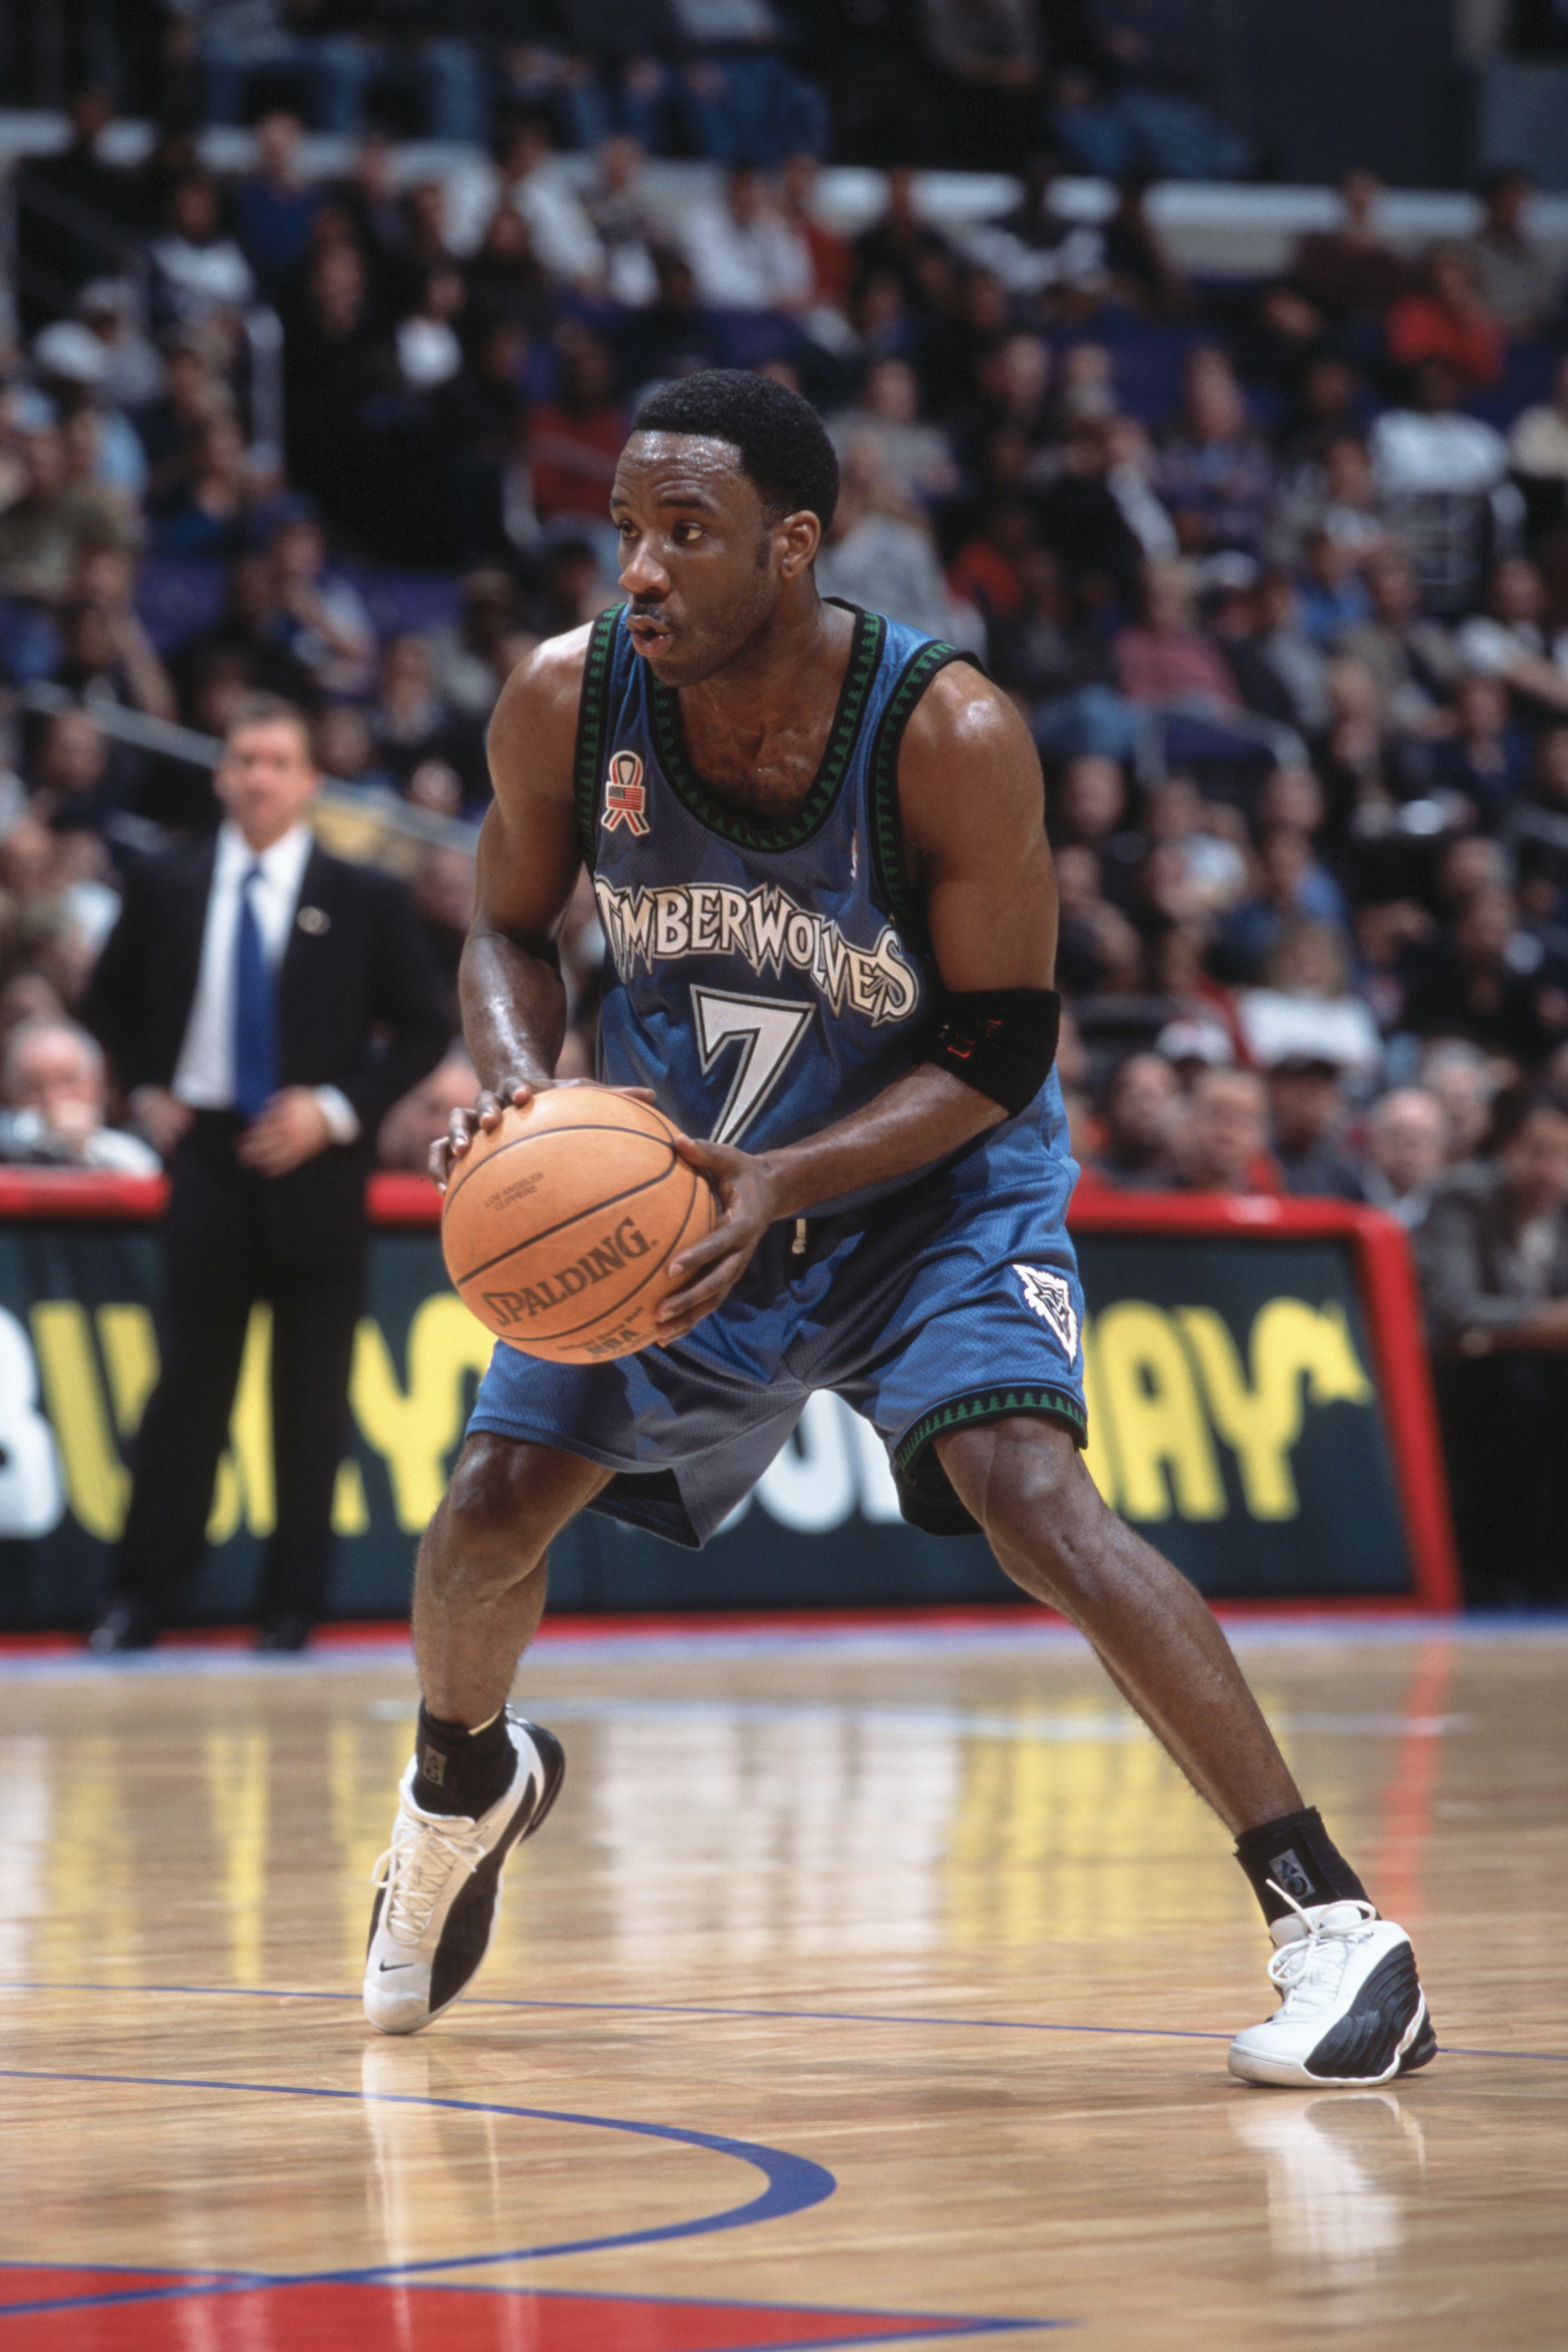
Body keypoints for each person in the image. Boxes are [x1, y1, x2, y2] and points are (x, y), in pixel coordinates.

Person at [361, 371, 1434, 2091]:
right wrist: (513, 1089)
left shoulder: (944, 732)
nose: (638, 566)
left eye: (684, 532)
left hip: (924, 1184)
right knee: (487, 1514)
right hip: (669, 1187)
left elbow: (1002, 1041)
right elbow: (504, 925)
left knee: (1029, 1492)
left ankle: (1334, 1932)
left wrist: (788, 1181)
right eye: (624, 528)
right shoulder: (566, 700)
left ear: (794, 544)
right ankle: (460, 1786)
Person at [84, 697, 448, 1653]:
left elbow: (423, 1029)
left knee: (312, 1401)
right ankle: (140, 1599)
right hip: (204, 1155)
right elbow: (105, 999)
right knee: (185, 1395)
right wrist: (146, 1093)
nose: (258, 776)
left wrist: (332, 1109)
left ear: (308, 783)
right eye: (243, 758)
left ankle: (292, 1610)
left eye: (277, 761)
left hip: (317, 1168)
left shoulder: (363, 893)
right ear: (219, 774)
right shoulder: (166, 879)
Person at [1417, 1087, 1568, 1605]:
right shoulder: (1459, 1197)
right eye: (1537, 1151)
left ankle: (1553, 1575)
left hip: (1544, 1373)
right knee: (1519, 1390)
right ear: (1504, 1147)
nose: (1550, 1168)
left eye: (1562, 1154)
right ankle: (1494, 1577)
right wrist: (1545, 1321)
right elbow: (1455, 1311)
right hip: (1462, 1376)